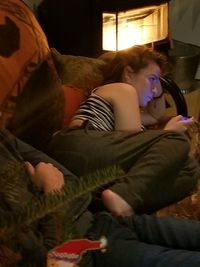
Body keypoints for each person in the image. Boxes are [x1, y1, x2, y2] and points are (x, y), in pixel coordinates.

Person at [46, 45, 199, 217]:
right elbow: (130, 134)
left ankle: (112, 200)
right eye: (152, 79)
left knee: (189, 170)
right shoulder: (123, 89)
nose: (155, 89)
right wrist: (168, 133)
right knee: (176, 140)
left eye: (158, 82)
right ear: (128, 74)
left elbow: (156, 116)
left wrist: (156, 88)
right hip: (77, 142)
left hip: (90, 163)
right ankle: (123, 196)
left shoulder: (128, 108)